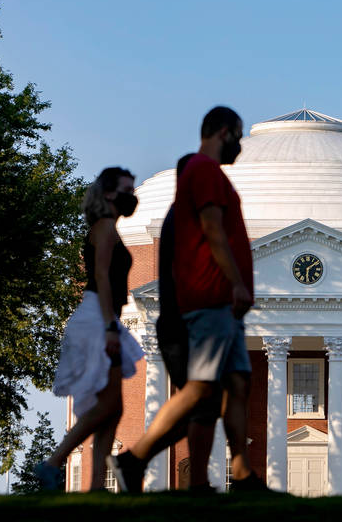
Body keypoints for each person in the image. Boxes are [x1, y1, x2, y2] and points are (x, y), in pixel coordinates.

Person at [109, 106, 266, 492]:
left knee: (238, 385)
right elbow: (213, 231)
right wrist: (237, 285)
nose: (242, 146)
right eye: (239, 137)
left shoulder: (209, 175)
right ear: (223, 132)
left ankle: (242, 474)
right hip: (213, 299)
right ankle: (134, 458)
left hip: (223, 304)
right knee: (200, 388)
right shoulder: (204, 171)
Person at [35, 167, 145, 491]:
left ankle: (96, 487)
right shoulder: (106, 226)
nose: (132, 194)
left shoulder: (107, 227)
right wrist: (111, 326)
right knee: (107, 405)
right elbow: (100, 276)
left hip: (103, 316)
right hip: (99, 317)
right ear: (110, 193)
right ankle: (54, 462)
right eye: (127, 188)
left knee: (114, 407)